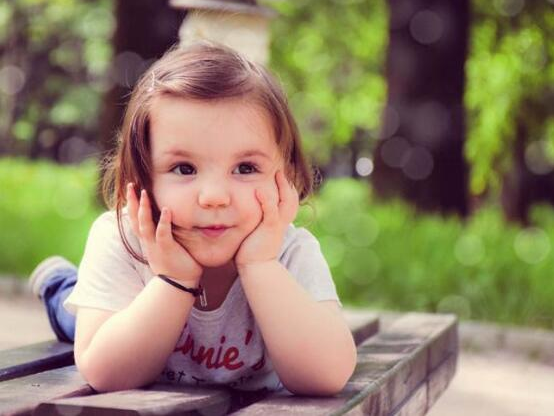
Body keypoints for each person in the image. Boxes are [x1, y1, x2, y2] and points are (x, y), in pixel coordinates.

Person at [28, 42, 357, 395]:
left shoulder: (289, 251)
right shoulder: (122, 239)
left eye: (245, 168)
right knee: (76, 316)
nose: (214, 197)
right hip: (122, 307)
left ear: (286, 177)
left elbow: (327, 376)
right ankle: (59, 285)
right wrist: (174, 280)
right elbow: (105, 374)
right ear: (143, 177)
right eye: (184, 168)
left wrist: (260, 265)